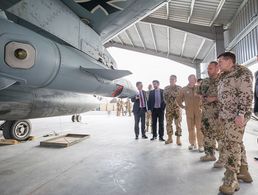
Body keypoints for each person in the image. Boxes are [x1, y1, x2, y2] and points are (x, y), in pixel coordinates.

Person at [217, 52, 253, 194]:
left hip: (237, 115)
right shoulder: (224, 75)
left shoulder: (242, 72)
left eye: (220, 61)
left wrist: (241, 114)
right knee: (236, 142)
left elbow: (246, 94)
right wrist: (221, 114)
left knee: (231, 144)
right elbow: (223, 96)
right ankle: (243, 172)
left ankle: (231, 180)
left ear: (229, 61)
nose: (219, 64)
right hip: (226, 115)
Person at [197, 61, 226, 165]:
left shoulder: (223, 80)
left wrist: (214, 98)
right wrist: (203, 97)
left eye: (210, 69)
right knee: (207, 135)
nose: (208, 71)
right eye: (208, 69)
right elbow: (199, 93)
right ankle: (210, 154)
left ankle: (223, 159)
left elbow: (229, 96)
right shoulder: (204, 81)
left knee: (220, 136)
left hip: (218, 115)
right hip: (206, 114)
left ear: (217, 68)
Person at [177, 74, 204, 152]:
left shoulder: (199, 88)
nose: (194, 80)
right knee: (190, 129)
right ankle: (192, 144)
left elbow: (204, 97)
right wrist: (183, 107)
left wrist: (202, 105)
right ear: (188, 79)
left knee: (199, 129)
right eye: (192, 79)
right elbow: (178, 99)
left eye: (194, 79)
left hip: (199, 112)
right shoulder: (184, 89)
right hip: (189, 113)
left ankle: (201, 145)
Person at [163, 75, 182, 145]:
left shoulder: (179, 88)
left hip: (177, 108)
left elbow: (182, 97)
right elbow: (164, 98)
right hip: (168, 109)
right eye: (170, 79)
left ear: (176, 80)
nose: (171, 80)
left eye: (173, 79)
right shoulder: (166, 88)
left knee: (178, 124)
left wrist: (178, 104)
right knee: (168, 123)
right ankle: (170, 138)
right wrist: (169, 104)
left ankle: (178, 139)